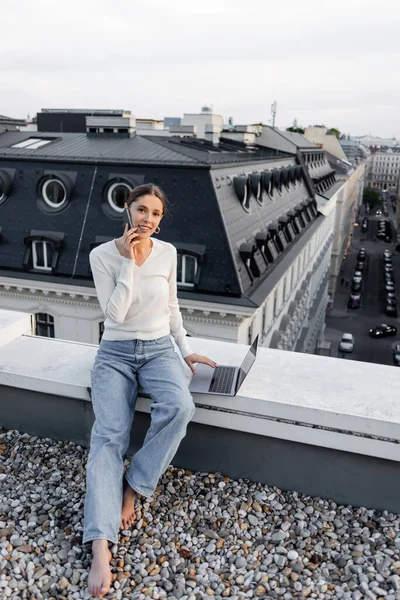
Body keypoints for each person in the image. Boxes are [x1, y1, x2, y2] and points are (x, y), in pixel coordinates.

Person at [83, 184, 216, 598]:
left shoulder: (169, 253)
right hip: (116, 353)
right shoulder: (102, 255)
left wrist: (187, 351)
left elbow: (172, 308)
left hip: (159, 349)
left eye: (156, 214)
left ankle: (133, 487)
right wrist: (130, 262)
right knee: (108, 438)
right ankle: (101, 546)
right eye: (142, 209)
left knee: (180, 407)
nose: (148, 219)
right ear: (128, 209)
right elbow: (115, 315)